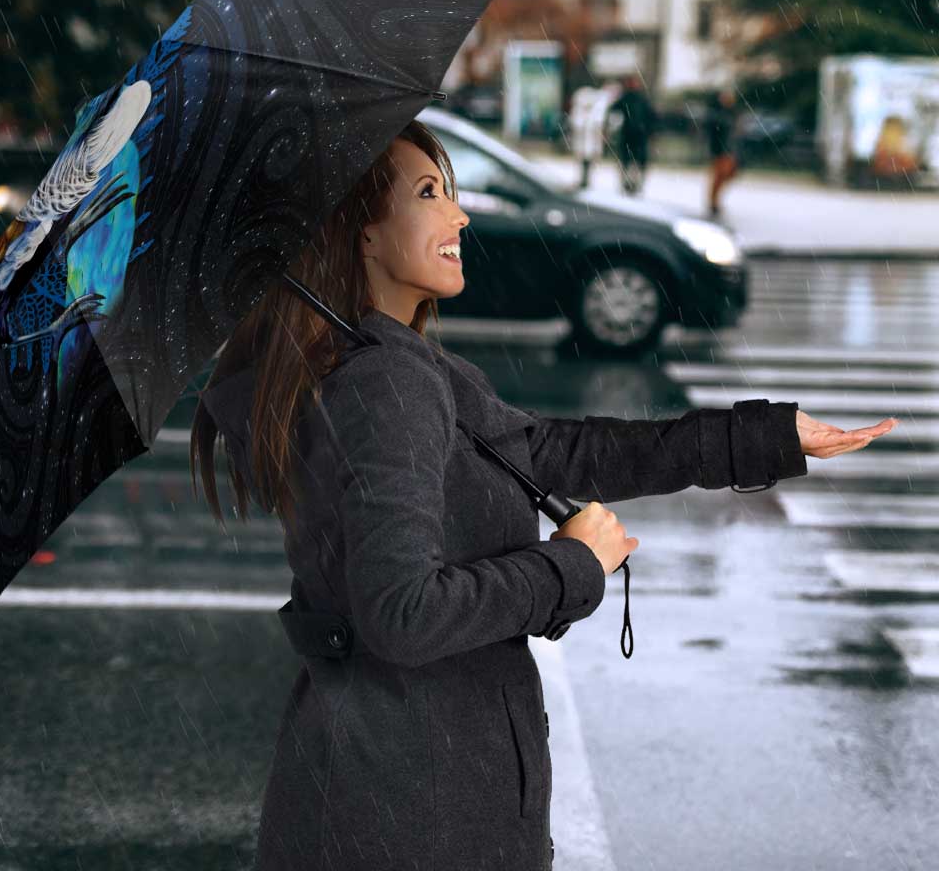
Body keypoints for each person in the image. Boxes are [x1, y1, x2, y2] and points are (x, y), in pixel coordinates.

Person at [189, 118, 887, 871]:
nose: (459, 215)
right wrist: (572, 566)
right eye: (429, 193)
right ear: (360, 233)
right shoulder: (384, 383)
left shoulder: (389, 364)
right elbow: (403, 614)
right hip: (416, 809)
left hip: (394, 787)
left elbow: (554, 452)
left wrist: (765, 438)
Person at [607, 73, 657, 196]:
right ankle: (628, 184)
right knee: (628, 161)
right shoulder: (627, 98)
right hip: (630, 135)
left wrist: (650, 131)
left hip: (638, 135)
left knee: (635, 162)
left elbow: (651, 117)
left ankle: (634, 184)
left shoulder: (640, 99)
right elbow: (613, 111)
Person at [705, 86, 741, 218]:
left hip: (729, 150)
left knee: (727, 175)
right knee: (719, 176)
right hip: (720, 150)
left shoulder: (732, 113)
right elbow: (714, 133)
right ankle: (713, 202)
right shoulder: (717, 114)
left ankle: (715, 201)